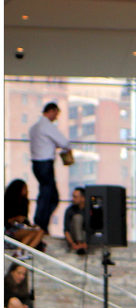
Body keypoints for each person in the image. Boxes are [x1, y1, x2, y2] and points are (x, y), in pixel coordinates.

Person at [29, 101, 72, 236]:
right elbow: (64, 142)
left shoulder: (34, 127)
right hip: (45, 164)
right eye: (56, 114)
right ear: (51, 111)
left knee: (49, 195)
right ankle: (40, 224)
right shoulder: (47, 126)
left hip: (36, 164)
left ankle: (42, 223)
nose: (56, 117)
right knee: (48, 195)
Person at [4, 179, 46, 251]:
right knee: (31, 233)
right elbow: (5, 221)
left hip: (21, 227)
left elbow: (25, 220)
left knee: (40, 231)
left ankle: (27, 251)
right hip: (10, 229)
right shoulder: (7, 202)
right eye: (25, 189)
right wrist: (16, 218)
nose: (27, 191)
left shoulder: (25, 202)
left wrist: (31, 226)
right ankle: (20, 251)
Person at [63, 186, 88, 253]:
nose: (73, 199)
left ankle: (82, 243)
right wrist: (72, 243)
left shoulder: (88, 211)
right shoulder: (70, 210)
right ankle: (79, 243)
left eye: (75, 197)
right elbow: (66, 230)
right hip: (73, 236)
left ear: (83, 198)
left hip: (85, 236)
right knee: (78, 217)